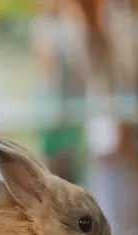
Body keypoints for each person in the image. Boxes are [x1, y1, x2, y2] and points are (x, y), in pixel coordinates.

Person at [31, 0, 90, 184]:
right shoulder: (42, 26)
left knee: (74, 173)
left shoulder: (72, 24)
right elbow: (45, 69)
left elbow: (82, 68)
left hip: (72, 112)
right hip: (52, 112)